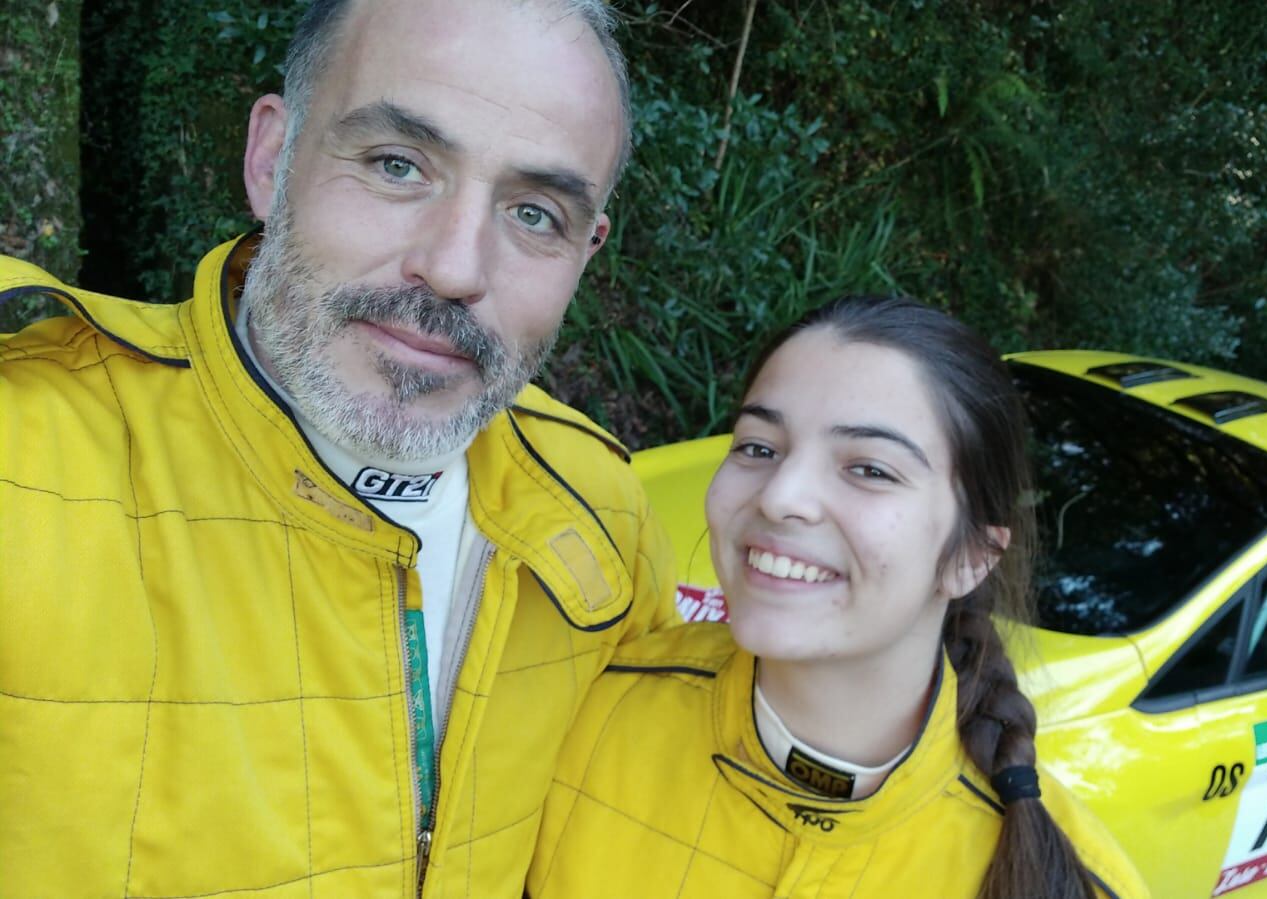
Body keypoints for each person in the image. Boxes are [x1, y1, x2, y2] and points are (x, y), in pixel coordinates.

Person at [0, 0, 676, 894]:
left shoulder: (601, 508)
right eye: (398, 165)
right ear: (272, 158)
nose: (456, 268)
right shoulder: (26, 451)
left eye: (535, 213)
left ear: (587, 251)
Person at [529, 296, 1149, 898]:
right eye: (758, 447)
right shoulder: (585, 713)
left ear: (970, 558)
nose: (780, 495)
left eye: (870, 469)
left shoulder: (1062, 877)